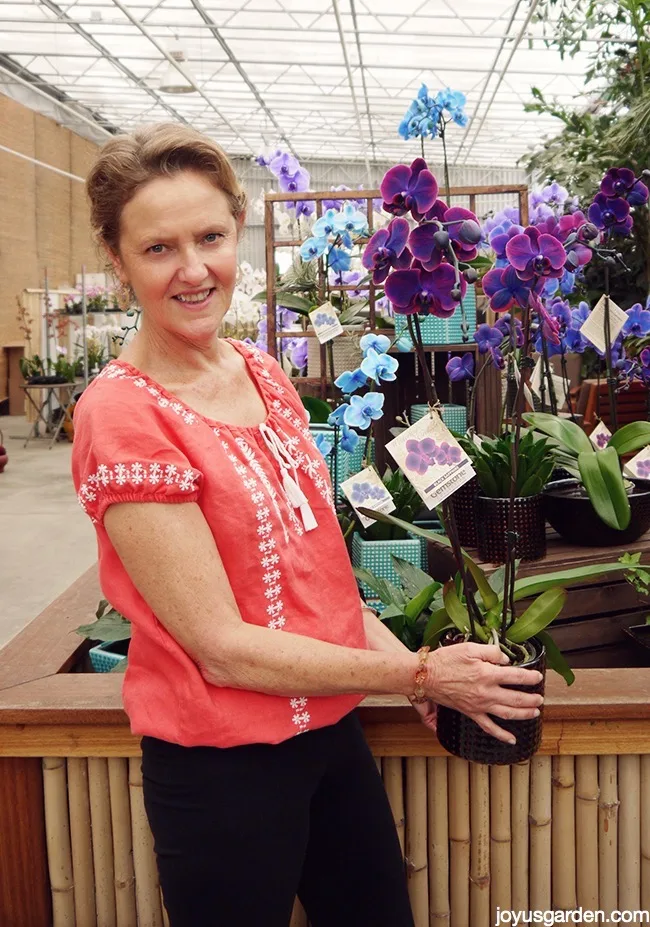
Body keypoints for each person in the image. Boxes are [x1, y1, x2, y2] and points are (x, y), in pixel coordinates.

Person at [72, 123, 543, 927]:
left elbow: (325, 579)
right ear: (117, 260)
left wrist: (408, 671)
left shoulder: (263, 373)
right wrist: (421, 676)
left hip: (331, 734)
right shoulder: (123, 416)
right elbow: (219, 643)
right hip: (220, 770)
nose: (193, 269)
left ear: (238, 237)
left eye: (211, 236)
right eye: (158, 249)